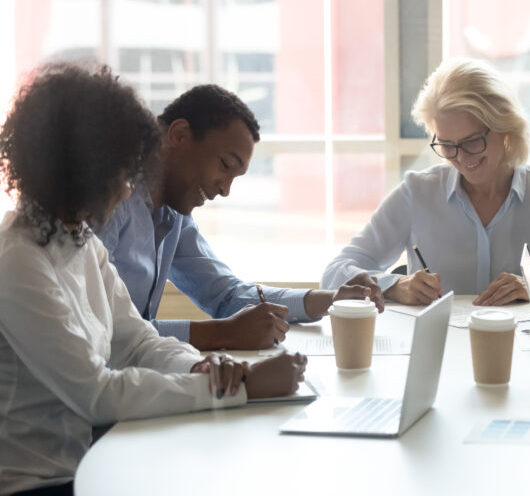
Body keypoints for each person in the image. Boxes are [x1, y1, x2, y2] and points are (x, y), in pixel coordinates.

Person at [0, 63, 307, 496]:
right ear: (82, 168)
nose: (128, 191)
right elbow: (97, 392)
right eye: (121, 173)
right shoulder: (17, 262)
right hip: (36, 484)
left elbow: (139, 342)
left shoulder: (81, 243)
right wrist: (241, 389)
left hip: (88, 465)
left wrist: (207, 368)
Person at [95, 84, 384, 351]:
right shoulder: (108, 201)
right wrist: (223, 333)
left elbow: (227, 296)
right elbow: (103, 332)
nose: (225, 189)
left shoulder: (174, 215)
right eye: (225, 165)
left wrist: (330, 300)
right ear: (179, 135)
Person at [321, 57, 530, 306]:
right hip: (436, 352)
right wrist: (394, 286)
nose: (461, 158)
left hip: (520, 352)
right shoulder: (417, 193)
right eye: (447, 145)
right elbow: (335, 272)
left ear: (504, 128)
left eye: (472, 142)